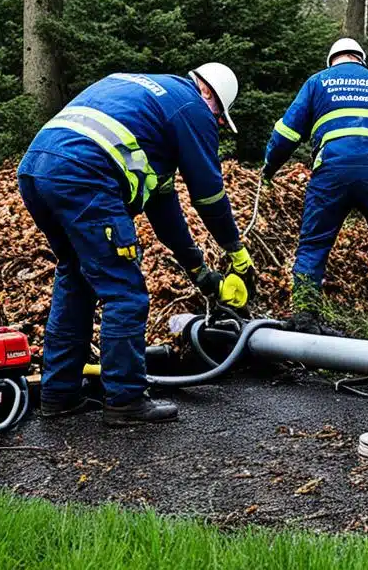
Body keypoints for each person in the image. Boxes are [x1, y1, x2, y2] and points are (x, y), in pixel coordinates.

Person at [17, 63, 257, 427]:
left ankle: (60, 395)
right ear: (209, 94)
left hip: (38, 169)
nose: (218, 127)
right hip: (85, 176)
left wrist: (200, 272)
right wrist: (236, 252)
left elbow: (165, 208)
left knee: (76, 278)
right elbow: (209, 196)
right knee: (125, 293)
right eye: (220, 120)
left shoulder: (143, 98)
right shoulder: (190, 106)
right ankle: (125, 399)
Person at [263, 38, 368, 347]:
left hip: (331, 173)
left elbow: (286, 133)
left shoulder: (317, 82)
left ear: (332, 61)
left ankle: (305, 319)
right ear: (361, 61)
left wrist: (269, 168)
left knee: (313, 243)